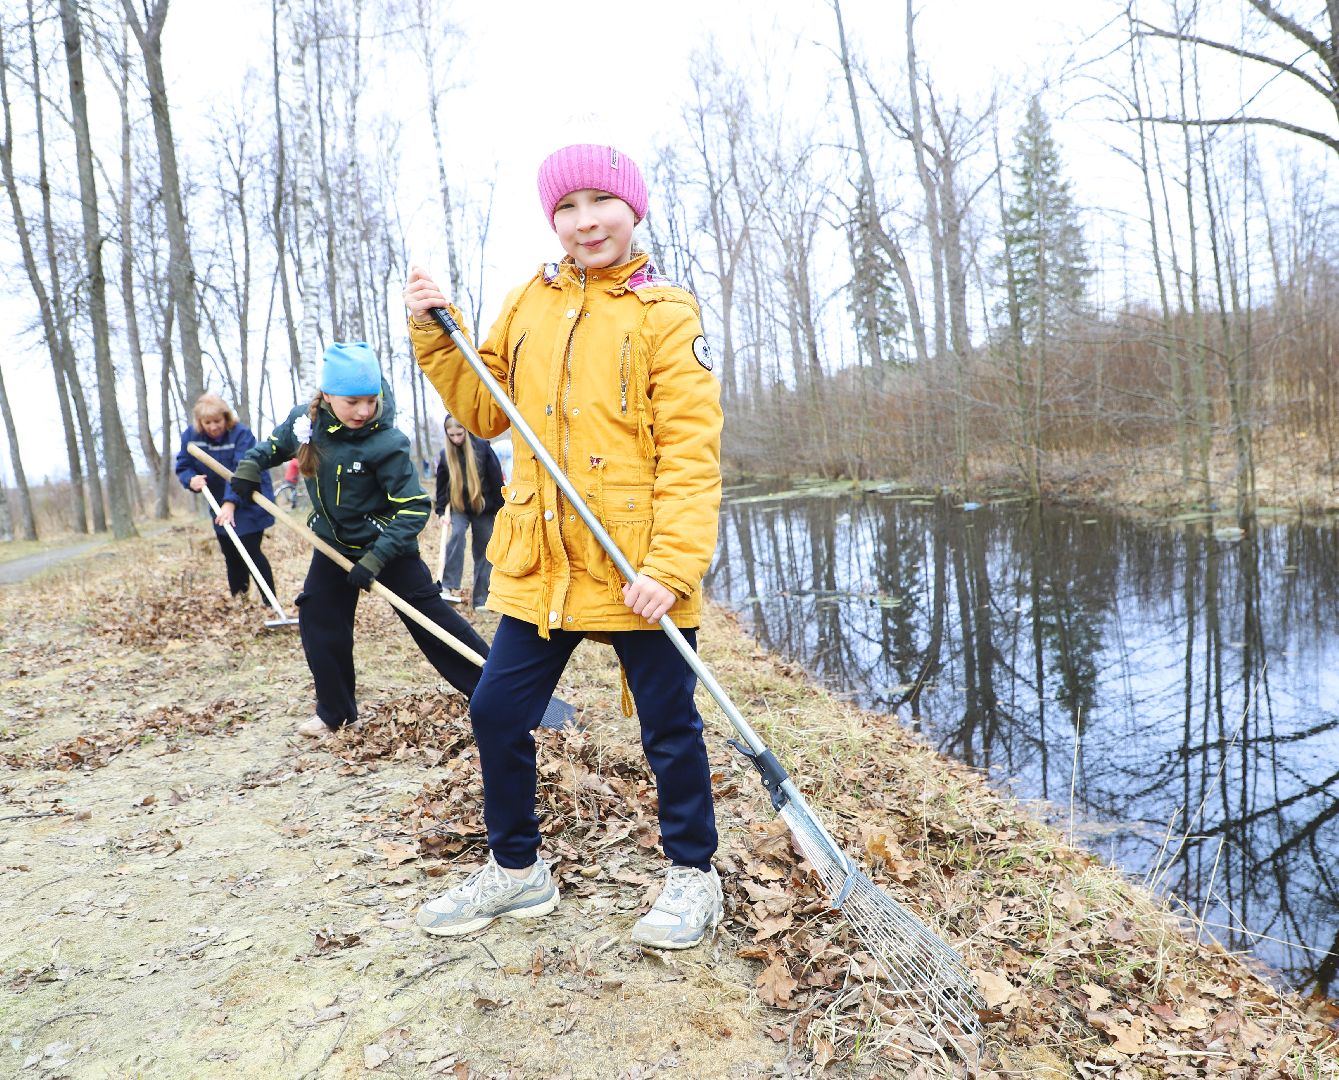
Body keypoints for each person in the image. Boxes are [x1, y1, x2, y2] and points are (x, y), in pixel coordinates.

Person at [403, 143, 725, 950]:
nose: (585, 223)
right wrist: (436, 333)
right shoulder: (528, 305)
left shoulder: (664, 313)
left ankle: (693, 873)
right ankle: (518, 871)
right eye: (566, 209)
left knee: (668, 728)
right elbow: (482, 413)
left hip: (636, 569)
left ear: (632, 208)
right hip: (542, 560)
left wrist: (669, 567)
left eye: (599, 203)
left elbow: (690, 455)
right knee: (495, 709)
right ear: (553, 221)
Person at [228, 342, 491, 740]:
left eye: (370, 401)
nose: (363, 411)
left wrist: (377, 557)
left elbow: (413, 507)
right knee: (318, 615)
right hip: (334, 545)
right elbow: (273, 447)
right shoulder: (307, 423)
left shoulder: (386, 441)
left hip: (388, 547)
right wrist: (250, 464)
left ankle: (500, 694)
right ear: (327, 395)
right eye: (352, 402)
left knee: (433, 622)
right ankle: (335, 713)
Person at [174, 393, 276, 599]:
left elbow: (241, 470)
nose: (213, 427)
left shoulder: (241, 434)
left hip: (249, 497)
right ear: (200, 422)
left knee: (249, 550)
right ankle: (240, 600)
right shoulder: (191, 437)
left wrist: (231, 503)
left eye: (217, 421)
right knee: (230, 553)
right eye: (207, 422)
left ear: (226, 417)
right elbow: (184, 465)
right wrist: (190, 479)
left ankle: (269, 601)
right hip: (218, 501)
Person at [434, 416, 505, 607]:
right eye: (452, 436)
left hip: (484, 506)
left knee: (484, 549)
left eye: (459, 434)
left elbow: (496, 478)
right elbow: (441, 487)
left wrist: (502, 509)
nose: (456, 439)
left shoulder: (482, 448)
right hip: (458, 507)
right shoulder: (445, 455)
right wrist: (441, 512)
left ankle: (481, 598)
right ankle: (447, 586)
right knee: (456, 535)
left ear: (466, 430)